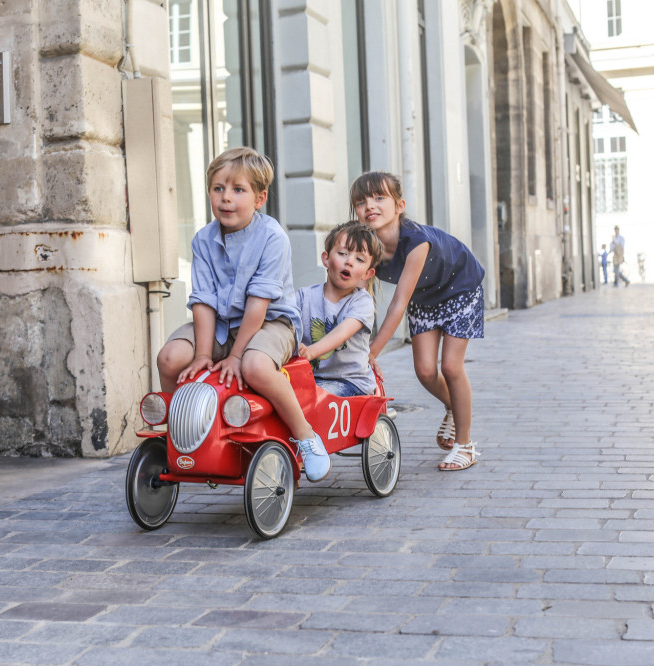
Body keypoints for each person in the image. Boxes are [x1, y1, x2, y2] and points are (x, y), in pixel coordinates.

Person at [156, 147, 332, 482]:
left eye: (238, 190)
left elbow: (258, 303)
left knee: (253, 366)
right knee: (169, 358)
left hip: (271, 322)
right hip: (221, 324)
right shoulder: (203, 240)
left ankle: (306, 436)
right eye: (218, 188)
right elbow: (204, 301)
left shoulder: (272, 237)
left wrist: (236, 356)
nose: (226, 199)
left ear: (259, 197)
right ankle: (180, 438)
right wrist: (204, 354)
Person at [350, 171, 485, 471]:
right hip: (426, 297)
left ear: (399, 206)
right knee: (425, 371)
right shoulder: (366, 247)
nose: (369, 205)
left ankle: (466, 445)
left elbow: (398, 304)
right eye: (361, 202)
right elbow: (357, 297)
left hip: (460, 286)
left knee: (450, 366)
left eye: (379, 197)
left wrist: (371, 352)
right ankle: (453, 406)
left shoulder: (416, 242)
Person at [296, 221, 382, 397]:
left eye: (359, 259)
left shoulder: (361, 301)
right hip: (309, 377)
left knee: (314, 397)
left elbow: (342, 332)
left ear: (367, 274)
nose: (349, 262)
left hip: (350, 381)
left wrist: (310, 352)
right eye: (342, 254)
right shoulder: (304, 297)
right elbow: (282, 322)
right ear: (326, 259)